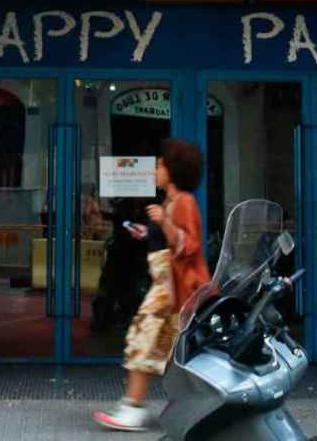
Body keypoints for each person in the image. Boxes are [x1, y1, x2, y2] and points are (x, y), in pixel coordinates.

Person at [93, 138, 211, 432]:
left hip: (172, 289)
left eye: (160, 165)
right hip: (164, 284)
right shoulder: (171, 202)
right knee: (160, 346)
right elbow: (168, 241)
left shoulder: (183, 202)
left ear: (175, 170)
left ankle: (133, 408)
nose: (155, 170)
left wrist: (164, 223)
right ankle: (144, 406)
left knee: (145, 340)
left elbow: (189, 245)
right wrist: (148, 231)